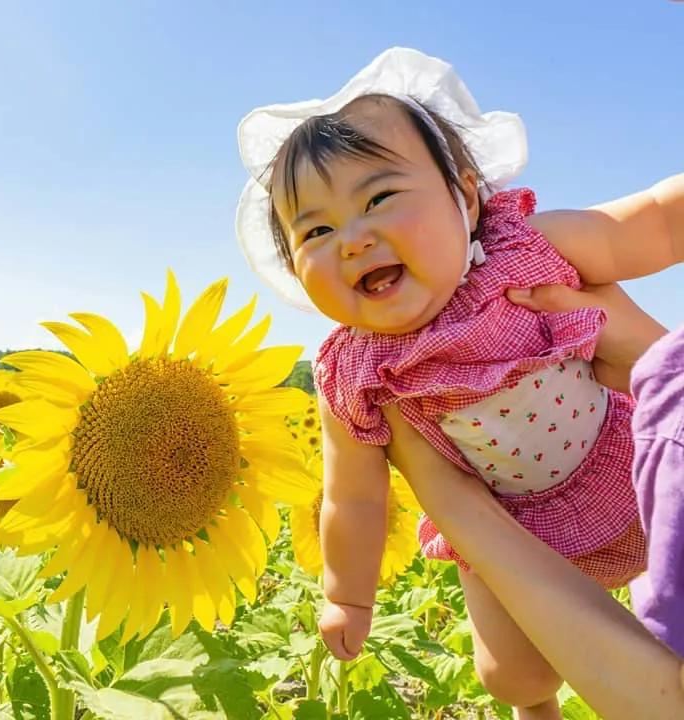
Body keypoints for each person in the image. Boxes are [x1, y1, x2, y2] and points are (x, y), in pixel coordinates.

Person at [234, 47, 683, 719]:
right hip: (513, 526)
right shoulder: (353, 374)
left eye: (380, 197)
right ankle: (536, 710)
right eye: (316, 230)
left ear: (467, 198)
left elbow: (642, 223)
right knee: (511, 676)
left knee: (667, 604)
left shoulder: (525, 248)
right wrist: (346, 595)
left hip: (629, 465)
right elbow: (352, 498)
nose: (352, 239)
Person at [382, 280, 684, 717]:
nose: (357, 242)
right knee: (515, 678)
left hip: (615, 466)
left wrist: (450, 503)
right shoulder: (361, 367)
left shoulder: (515, 257)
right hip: (514, 506)